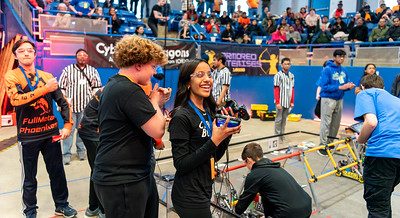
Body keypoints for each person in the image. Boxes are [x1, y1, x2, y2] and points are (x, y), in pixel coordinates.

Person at [92, 35, 171, 218]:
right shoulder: (128, 90)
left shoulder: (117, 85)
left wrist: (155, 103)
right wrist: (154, 100)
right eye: (152, 66)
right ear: (138, 65)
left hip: (132, 175)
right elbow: (157, 130)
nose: (154, 72)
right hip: (123, 180)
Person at [5, 39, 77, 218]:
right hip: (28, 136)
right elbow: (16, 100)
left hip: (50, 134)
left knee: (57, 173)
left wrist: (68, 124)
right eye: (22, 51)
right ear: (15, 55)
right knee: (29, 178)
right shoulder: (12, 76)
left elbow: (63, 103)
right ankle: (30, 212)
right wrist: (45, 89)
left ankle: (61, 205)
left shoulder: (47, 76)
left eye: (30, 50)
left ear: (35, 54)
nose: (26, 53)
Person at [169, 59, 241, 218]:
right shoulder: (181, 116)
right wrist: (214, 140)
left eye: (209, 74)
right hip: (188, 195)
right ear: (188, 81)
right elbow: (181, 164)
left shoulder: (210, 111)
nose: (207, 79)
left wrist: (226, 134)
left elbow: (213, 156)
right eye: (200, 75)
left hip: (205, 188)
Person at [354, 74, 400, 218]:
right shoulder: (395, 99)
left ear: (362, 86)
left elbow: (371, 122)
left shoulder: (365, 93)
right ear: (383, 87)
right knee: (383, 201)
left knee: (377, 206)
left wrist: (360, 139)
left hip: (382, 154)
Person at [234, 143, 312, 217]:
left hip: (290, 213)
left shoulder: (255, 174)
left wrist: (235, 210)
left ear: (248, 160)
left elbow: (241, 206)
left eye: (245, 163)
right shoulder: (275, 167)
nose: (246, 167)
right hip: (306, 206)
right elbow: (272, 196)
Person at [59, 49, 102, 165]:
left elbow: (97, 88)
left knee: (83, 131)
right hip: (71, 107)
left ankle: (81, 151)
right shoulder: (67, 70)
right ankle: (66, 154)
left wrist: (94, 104)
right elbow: (61, 87)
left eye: (84, 55)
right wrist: (62, 102)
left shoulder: (92, 71)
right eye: (79, 55)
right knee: (69, 131)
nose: (82, 57)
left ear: (87, 57)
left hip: (86, 108)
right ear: (76, 57)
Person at [318, 49, 355, 156]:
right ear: (334, 57)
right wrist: (340, 87)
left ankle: (330, 142)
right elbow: (324, 86)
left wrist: (348, 87)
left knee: (336, 123)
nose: (342, 58)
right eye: (339, 56)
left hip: (339, 99)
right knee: (326, 122)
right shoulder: (327, 70)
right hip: (328, 99)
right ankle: (322, 145)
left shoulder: (344, 70)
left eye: (343, 56)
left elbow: (345, 84)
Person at [77, 89, 105, 218]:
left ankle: (93, 207)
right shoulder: (120, 89)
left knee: (96, 169)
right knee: (102, 171)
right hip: (92, 132)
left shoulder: (114, 84)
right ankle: (102, 210)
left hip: (89, 130)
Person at [273, 58, 294, 137]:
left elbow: (292, 89)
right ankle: (276, 136)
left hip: (288, 102)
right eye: (285, 64)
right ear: (281, 65)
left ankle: (282, 135)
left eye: (288, 64)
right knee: (278, 120)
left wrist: (292, 101)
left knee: (284, 120)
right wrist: (277, 102)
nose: (287, 65)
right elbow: (276, 89)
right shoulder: (278, 75)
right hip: (280, 102)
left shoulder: (292, 75)